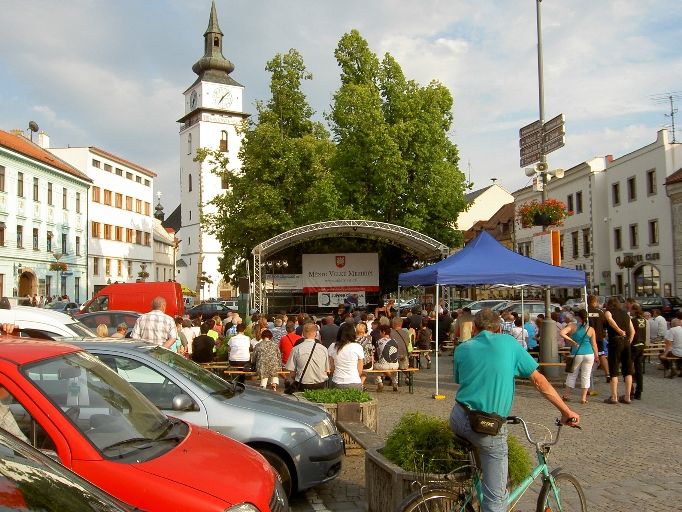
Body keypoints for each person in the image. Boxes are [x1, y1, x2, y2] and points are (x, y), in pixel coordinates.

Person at [450, 308, 580, 512]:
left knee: (487, 463)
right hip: (486, 425)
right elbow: (539, 381)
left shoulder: (463, 348)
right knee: (496, 500)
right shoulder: (509, 343)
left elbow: (461, 379)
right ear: (499, 329)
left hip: (459, 417)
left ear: (474, 328)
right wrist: (566, 411)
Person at [559, 309, 599, 404]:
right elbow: (594, 344)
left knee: (572, 375)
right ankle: (583, 398)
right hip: (589, 353)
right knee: (586, 375)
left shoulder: (572, 326)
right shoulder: (590, 329)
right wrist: (597, 356)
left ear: (577, 317)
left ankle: (566, 395)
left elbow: (562, 333)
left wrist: (572, 341)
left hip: (576, 353)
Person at [603, 297, 635, 404]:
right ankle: (627, 397)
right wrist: (629, 341)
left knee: (614, 369)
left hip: (615, 342)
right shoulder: (626, 314)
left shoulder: (608, 312)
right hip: (626, 342)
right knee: (628, 370)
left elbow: (610, 320)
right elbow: (633, 331)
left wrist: (619, 331)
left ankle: (614, 397)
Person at [284, 322, 329, 389]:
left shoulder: (296, 349)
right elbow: (327, 370)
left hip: (303, 383)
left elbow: (292, 373)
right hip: (320, 383)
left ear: (303, 333)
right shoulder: (323, 349)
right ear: (316, 334)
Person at [328, 323, 364, 389]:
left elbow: (332, 368)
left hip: (337, 382)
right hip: (354, 382)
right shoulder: (358, 347)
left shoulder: (333, 346)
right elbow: (360, 370)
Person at [587, 294, 609, 382]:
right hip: (599, 337)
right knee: (601, 355)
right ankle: (607, 374)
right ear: (594, 302)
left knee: (587, 355)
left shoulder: (585, 311)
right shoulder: (600, 312)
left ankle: (587, 375)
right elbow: (605, 324)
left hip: (588, 337)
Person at [630, 303, 648, 399]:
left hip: (634, 345)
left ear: (634, 310)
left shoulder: (632, 320)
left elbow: (630, 332)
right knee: (639, 369)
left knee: (629, 368)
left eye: (631, 310)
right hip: (641, 345)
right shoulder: (644, 320)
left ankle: (630, 391)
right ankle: (639, 392)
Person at [374, 324, 399, 392]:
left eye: (380, 332)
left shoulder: (378, 341)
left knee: (375, 366)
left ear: (384, 332)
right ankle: (395, 382)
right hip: (395, 365)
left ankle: (379, 382)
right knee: (394, 369)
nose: (379, 333)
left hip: (384, 365)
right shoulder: (395, 341)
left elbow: (378, 354)